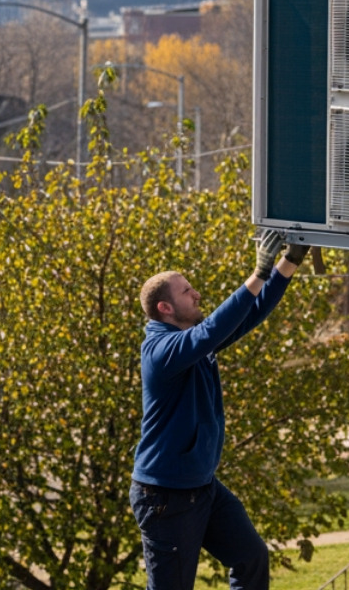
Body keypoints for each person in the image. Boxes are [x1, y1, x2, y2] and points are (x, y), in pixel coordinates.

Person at [131, 230, 308, 587]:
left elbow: (247, 315)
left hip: (203, 486)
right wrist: (258, 272)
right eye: (186, 292)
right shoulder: (161, 352)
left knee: (251, 557)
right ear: (165, 308)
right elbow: (211, 329)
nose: (196, 294)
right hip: (166, 497)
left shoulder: (190, 341)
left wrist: (289, 262)